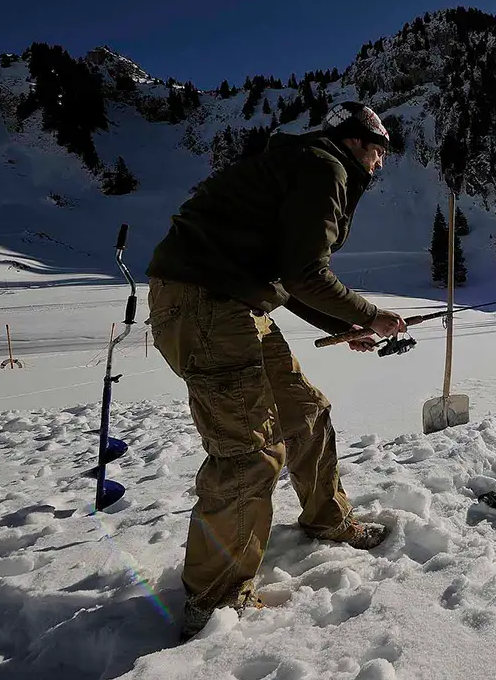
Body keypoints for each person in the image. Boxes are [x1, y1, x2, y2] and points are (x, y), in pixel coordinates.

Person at [144, 101, 408, 641]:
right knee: (247, 452)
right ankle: (213, 600)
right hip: (207, 305)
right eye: (378, 150)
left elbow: (287, 278)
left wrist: (347, 324)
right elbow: (306, 272)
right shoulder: (324, 166)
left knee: (306, 411)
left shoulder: (301, 163)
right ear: (355, 141)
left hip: (234, 304)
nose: (380, 163)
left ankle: (327, 518)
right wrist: (370, 315)